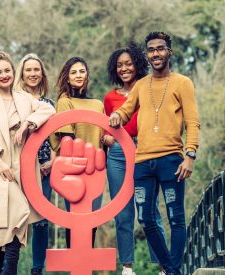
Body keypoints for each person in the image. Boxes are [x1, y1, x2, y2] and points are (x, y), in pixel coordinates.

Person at [109, 31, 201, 275]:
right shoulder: (141, 85)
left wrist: (190, 155)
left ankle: (172, 271)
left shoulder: (183, 82)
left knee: (175, 218)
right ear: (147, 55)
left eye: (160, 49)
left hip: (172, 160)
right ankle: (172, 270)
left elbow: (193, 122)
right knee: (146, 219)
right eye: (151, 50)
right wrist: (117, 115)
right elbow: (126, 110)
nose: (156, 54)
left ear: (169, 52)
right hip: (143, 162)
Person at [0, 50, 55, 275]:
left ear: (13, 72)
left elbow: (48, 108)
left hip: (20, 169)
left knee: (19, 216)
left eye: (7, 70)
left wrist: (28, 123)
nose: (4, 75)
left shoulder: (24, 98)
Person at [104, 43, 166, 275]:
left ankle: (163, 266)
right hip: (118, 155)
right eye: (119, 65)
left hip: (145, 151)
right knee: (123, 212)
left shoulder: (149, 89)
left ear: (137, 64)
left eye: (128, 63)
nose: (124, 68)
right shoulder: (110, 97)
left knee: (149, 210)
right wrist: (108, 139)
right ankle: (127, 267)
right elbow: (106, 128)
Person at [51, 56, 104, 248]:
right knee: (74, 219)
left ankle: (85, 263)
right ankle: (74, 263)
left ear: (87, 75)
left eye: (82, 71)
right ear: (67, 77)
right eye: (73, 72)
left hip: (96, 169)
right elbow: (67, 140)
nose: (78, 75)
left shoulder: (98, 104)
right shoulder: (65, 102)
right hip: (74, 170)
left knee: (93, 221)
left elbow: (103, 137)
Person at [14, 53, 55, 275]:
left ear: (42, 74)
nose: (32, 74)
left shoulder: (49, 104)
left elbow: (57, 138)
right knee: (16, 219)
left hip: (45, 169)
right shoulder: (14, 101)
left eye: (36, 70)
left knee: (41, 220)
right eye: (28, 70)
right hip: (20, 168)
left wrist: (52, 161)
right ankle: (9, 267)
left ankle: (37, 269)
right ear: (22, 73)